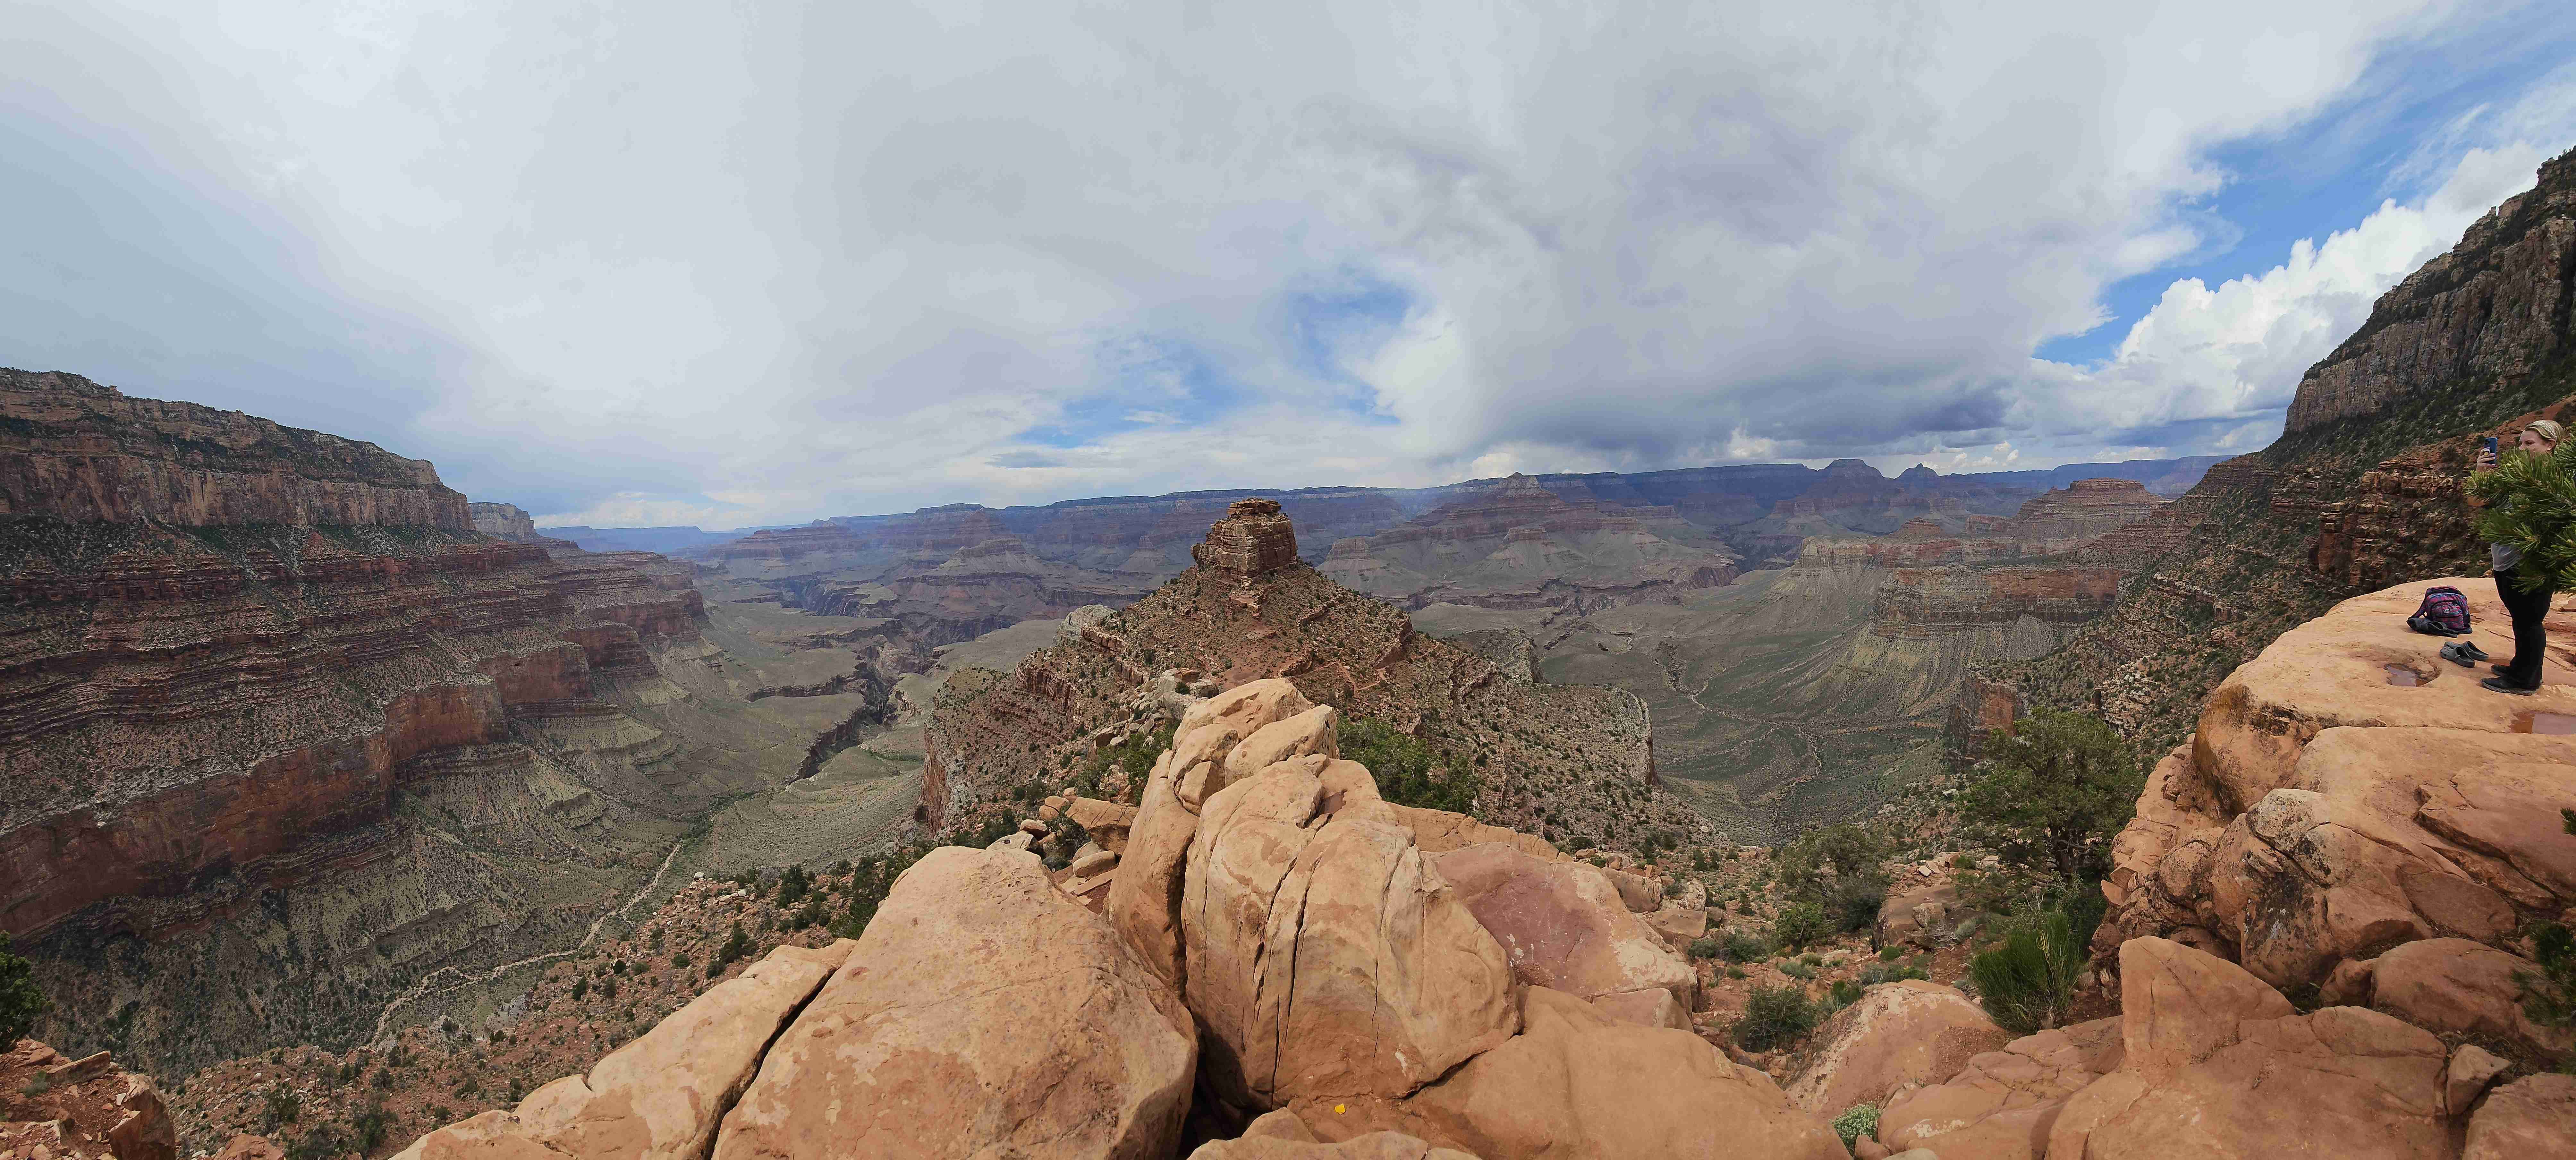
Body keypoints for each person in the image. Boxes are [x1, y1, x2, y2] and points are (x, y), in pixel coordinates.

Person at [2471, 418, 2564, 695]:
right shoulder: (2514, 474)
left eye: (2530, 443)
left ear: (2551, 445)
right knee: (2520, 618)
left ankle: (2526, 681)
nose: (2522, 448)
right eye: (2520, 443)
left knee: (2530, 620)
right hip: (2504, 558)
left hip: (2533, 562)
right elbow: (2476, 501)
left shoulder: (2559, 479)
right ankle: (2521, 667)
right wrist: (2481, 472)